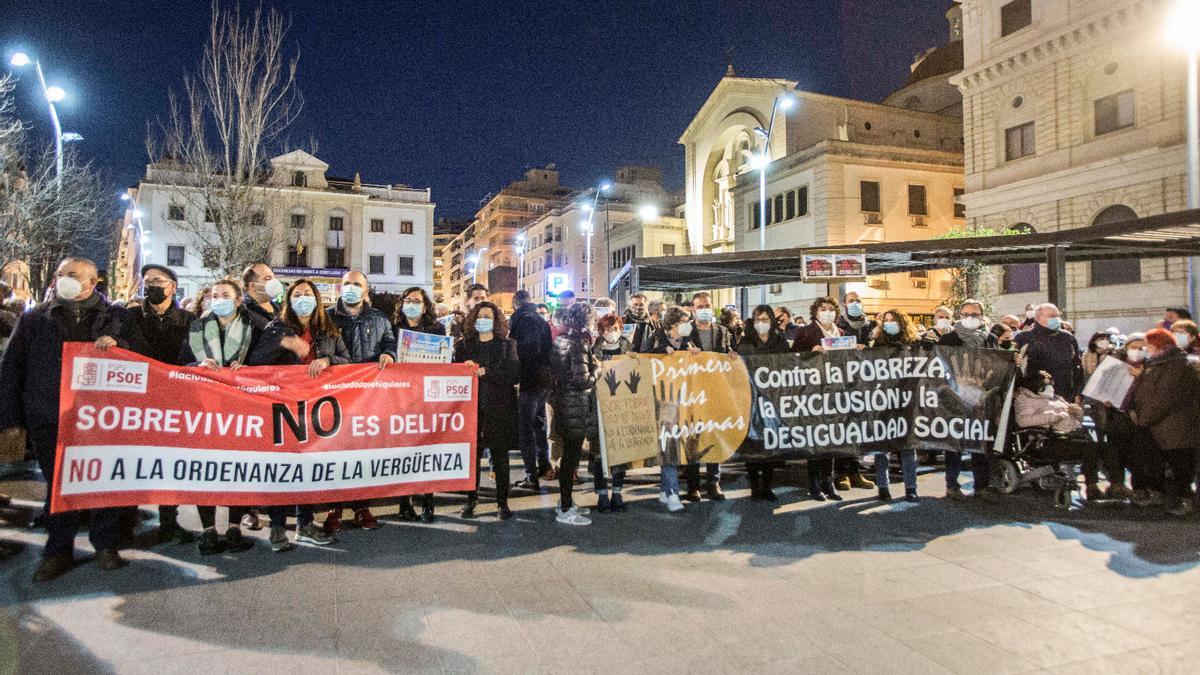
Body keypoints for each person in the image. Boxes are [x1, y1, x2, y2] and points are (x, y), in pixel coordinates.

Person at [0, 258, 128, 581]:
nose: (63, 280)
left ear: (93, 282)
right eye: (60, 275)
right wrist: (12, 419)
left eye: (72, 275)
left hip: (102, 418)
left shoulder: (116, 317)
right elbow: (12, 370)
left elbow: (138, 358)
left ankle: (105, 545)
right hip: (49, 416)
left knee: (102, 482)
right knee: (59, 485)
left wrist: (119, 345)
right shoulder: (33, 319)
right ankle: (58, 550)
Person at [95, 264, 197, 545]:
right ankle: (126, 521)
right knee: (132, 460)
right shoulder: (128, 316)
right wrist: (111, 341)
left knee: (170, 462)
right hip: (137, 402)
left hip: (175, 401)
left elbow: (196, 355)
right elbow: (118, 340)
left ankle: (168, 521)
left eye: (157, 281)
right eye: (147, 280)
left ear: (172, 287)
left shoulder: (189, 320)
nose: (150, 285)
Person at [247, 279, 349, 551]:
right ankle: (278, 528)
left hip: (315, 410)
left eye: (308, 294)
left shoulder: (328, 329)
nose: (303, 298)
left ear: (316, 299)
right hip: (282, 409)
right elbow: (256, 362)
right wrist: (284, 344)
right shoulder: (276, 329)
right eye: (297, 295)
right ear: (289, 301)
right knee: (282, 469)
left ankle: (305, 524)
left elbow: (347, 361)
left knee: (307, 468)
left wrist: (327, 360)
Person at [178, 279, 268, 554]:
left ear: (238, 300)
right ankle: (208, 529)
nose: (218, 299)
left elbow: (267, 359)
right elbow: (181, 362)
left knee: (237, 467)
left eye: (225, 295)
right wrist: (198, 365)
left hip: (241, 407)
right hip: (204, 406)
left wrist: (249, 367)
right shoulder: (197, 327)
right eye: (214, 295)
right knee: (205, 468)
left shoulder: (255, 326)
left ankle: (232, 528)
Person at [322, 270, 397, 534]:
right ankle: (335, 507)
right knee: (336, 451)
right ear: (340, 288)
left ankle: (362, 506)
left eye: (357, 284)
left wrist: (389, 353)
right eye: (347, 284)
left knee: (364, 452)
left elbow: (390, 341)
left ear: (366, 292)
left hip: (367, 397)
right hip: (336, 396)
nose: (351, 288)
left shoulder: (379, 318)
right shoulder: (328, 317)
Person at [1015, 369, 1125, 502]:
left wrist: (1077, 412)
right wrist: (1052, 417)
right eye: (1045, 384)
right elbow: (1023, 421)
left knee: (1108, 446)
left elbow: (1076, 419)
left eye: (1050, 384)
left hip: (1073, 435)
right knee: (1089, 447)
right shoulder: (1025, 399)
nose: (1049, 387)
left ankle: (1117, 485)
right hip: (1050, 440)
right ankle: (1091, 487)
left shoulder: (1057, 398)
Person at [453, 301, 518, 520]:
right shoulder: (463, 346)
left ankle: (502, 503)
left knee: (500, 457)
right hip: (470, 409)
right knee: (472, 457)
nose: (483, 320)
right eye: (480, 316)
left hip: (499, 408)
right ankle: (471, 501)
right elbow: (452, 373)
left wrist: (485, 372)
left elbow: (513, 375)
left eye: (488, 316)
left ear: (496, 320)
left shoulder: (507, 345)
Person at [1130, 328, 1200, 516]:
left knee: (1180, 466)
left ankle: (1183, 502)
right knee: (1166, 465)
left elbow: (1165, 397)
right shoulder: (1157, 363)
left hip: (1174, 425)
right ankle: (1171, 499)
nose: (1145, 349)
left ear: (1157, 345)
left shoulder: (1176, 365)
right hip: (1159, 425)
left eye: (1148, 345)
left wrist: (1144, 420)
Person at [394, 286, 447, 522]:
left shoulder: (436, 329)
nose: (412, 304)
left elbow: (445, 361)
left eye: (417, 301)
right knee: (402, 452)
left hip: (426, 398)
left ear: (425, 307)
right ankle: (404, 501)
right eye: (408, 300)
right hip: (399, 399)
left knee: (426, 451)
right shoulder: (393, 329)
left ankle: (428, 500)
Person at [549, 302, 598, 525]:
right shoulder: (578, 343)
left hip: (564, 402)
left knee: (570, 456)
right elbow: (582, 380)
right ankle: (566, 508)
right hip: (575, 406)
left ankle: (566, 502)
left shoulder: (561, 338)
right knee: (571, 458)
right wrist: (597, 370)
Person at [735, 305, 789, 501]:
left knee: (770, 443)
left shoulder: (780, 341)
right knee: (753, 441)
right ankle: (754, 486)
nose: (761, 323)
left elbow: (788, 365)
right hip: (751, 398)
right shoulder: (746, 341)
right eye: (758, 319)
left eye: (766, 319)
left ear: (772, 321)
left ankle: (767, 486)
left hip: (772, 399)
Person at [866, 310, 922, 502]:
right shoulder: (878, 344)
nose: (889, 324)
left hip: (907, 401)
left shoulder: (915, 343)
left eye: (893, 321)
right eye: (886, 321)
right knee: (882, 447)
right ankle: (883, 486)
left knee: (908, 447)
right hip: (884, 401)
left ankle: (911, 487)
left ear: (902, 322)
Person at [791, 297, 843, 501]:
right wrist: (809, 353)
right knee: (816, 437)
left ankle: (828, 482)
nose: (827, 312)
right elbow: (792, 358)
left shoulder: (841, 334)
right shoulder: (805, 332)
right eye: (823, 309)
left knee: (831, 439)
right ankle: (814, 484)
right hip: (812, 391)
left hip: (835, 391)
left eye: (831, 309)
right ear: (816, 311)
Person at [684, 292, 733, 501]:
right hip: (692, 393)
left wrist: (732, 355)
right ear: (693, 309)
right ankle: (693, 485)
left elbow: (728, 352)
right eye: (700, 305)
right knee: (693, 439)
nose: (704, 308)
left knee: (714, 437)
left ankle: (714, 483)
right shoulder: (685, 331)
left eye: (707, 305)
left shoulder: (722, 331)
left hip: (715, 391)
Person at [1105, 333, 1163, 506]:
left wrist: (1141, 376)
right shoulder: (1115, 364)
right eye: (1133, 347)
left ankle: (1145, 488)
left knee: (1142, 455)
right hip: (1118, 416)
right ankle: (1120, 485)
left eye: (1141, 348)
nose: (1137, 351)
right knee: (1118, 452)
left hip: (1142, 417)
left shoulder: (1151, 366)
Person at [509, 290, 554, 490]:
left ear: (514, 305)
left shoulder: (522, 319)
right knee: (539, 424)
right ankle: (543, 465)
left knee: (525, 429)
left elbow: (527, 349)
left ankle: (531, 475)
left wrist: (518, 374)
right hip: (543, 381)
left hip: (529, 381)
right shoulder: (540, 319)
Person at [590, 313, 631, 512]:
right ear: (601, 331)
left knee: (620, 451)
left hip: (622, 406)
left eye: (614, 329)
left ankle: (617, 492)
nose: (611, 333)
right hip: (599, 405)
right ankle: (601, 494)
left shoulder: (628, 347)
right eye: (606, 329)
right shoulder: (593, 350)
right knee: (599, 453)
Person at [1014, 303, 1083, 402]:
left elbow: (1077, 367)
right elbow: (1015, 367)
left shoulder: (1068, 338)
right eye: (1052, 316)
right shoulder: (1023, 338)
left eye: (1057, 316)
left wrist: (1078, 393)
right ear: (1038, 318)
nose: (1056, 319)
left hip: (1065, 397)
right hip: (1033, 398)